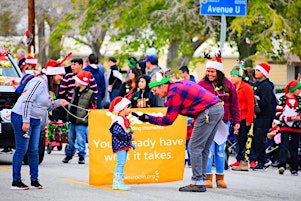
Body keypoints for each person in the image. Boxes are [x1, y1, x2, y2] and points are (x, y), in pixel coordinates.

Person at [132, 70, 224, 193]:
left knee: (194, 147)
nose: (155, 94)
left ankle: (198, 182)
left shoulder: (173, 93)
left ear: (163, 85)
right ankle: (201, 179)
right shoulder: (179, 85)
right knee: (203, 147)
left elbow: (168, 120)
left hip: (208, 112)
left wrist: (148, 118)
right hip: (217, 108)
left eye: (155, 90)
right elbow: (197, 100)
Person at [10, 60, 69, 190]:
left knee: (34, 150)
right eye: (60, 75)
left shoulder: (48, 87)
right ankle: (16, 181)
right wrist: (25, 121)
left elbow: (46, 105)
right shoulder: (39, 83)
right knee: (22, 149)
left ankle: (34, 180)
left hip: (36, 120)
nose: (62, 78)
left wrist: (58, 103)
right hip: (22, 117)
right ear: (53, 74)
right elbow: (26, 101)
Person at [198, 53, 240, 189]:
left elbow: (234, 105)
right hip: (207, 121)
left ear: (219, 72)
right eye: (208, 71)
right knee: (208, 150)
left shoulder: (228, 85)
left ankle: (220, 178)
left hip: (223, 122)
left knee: (220, 150)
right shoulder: (202, 84)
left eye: (212, 71)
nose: (210, 74)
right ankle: (207, 177)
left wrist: (237, 122)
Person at [62, 70, 96, 164]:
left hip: (81, 120)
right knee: (70, 138)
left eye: (76, 80)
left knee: (81, 139)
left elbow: (93, 106)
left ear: (82, 82)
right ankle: (69, 154)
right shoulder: (74, 90)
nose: (75, 82)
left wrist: (90, 113)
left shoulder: (90, 93)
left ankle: (81, 156)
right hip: (73, 119)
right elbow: (73, 103)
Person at [229, 64, 255, 171]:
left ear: (240, 77)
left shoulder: (246, 87)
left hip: (244, 118)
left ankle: (244, 162)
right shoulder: (234, 88)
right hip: (236, 119)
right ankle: (239, 160)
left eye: (233, 76)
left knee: (244, 140)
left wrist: (249, 119)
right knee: (238, 141)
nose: (231, 78)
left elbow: (251, 104)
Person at [252, 63, 277, 170]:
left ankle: (263, 161)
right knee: (255, 138)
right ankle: (260, 159)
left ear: (264, 73)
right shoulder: (257, 84)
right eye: (256, 70)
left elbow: (266, 102)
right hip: (257, 116)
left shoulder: (266, 85)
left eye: (259, 70)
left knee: (259, 138)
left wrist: (256, 101)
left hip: (264, 116)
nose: (256, 72)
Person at [275, 80, 301, 176]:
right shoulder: (282, 99)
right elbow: (278, 114)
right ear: (292, 89)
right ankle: (282, 165)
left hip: (297, 127)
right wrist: (289, 118)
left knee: (294, 147)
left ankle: (294, 167)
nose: (299, 91)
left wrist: (298, 118)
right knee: (284, 145)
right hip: (285, 126)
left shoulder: (299, 100)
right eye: (298, 89)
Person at [109, 96, 134, 191]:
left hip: (123, 144)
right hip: (120, 145)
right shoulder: (118, 120)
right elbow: (118, 133)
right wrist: (130, 137)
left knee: (121, 163)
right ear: (123, 108)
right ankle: (117, 183)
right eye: (128, 107)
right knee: (121, 163)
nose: (130, 110)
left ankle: (119, 182)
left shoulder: (123, 119)